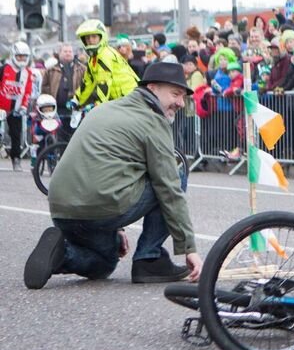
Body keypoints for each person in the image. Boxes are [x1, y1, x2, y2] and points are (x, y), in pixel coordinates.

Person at [24, 62, 201, 289]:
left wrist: (117, 227)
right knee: (175, 174)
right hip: (100, 208)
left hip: (61, 209)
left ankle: (62, 254)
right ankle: (149, 258)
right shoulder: (153, 121)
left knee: (105, 263)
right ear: (153, 88)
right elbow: (169, 189)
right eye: (175, 94)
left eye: (183, 97)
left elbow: (101, 166)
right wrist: (189, 249)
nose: (180, 102)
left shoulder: (106, 108)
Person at [74, 20, 139, 107]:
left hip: (130, 99)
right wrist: (76, 100)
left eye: (94, 36)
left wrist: (98, 103)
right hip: (121, 100)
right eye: (87, 37)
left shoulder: (104, 55)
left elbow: (104, 82)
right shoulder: (93, 57)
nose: (90, 40)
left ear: (101, 37)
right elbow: (88, 81)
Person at [0, 41, 36, 167]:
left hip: (16, 110)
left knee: (16, 135)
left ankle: (16, 159)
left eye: (24, 57)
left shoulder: (28, 73)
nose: (21, 59)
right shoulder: (4, 69)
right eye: (19, 56)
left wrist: (24, 106)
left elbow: (27, 91)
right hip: (1, 108)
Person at [41, 44, 86, 140]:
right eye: (65, 51)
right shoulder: (51, 70)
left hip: (76, 110)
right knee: (60, 138)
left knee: (76, 138)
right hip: (57, 110)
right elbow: (44, 88)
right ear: (59, 53)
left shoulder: (82, 69)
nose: (68, 54)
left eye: (70, 51)